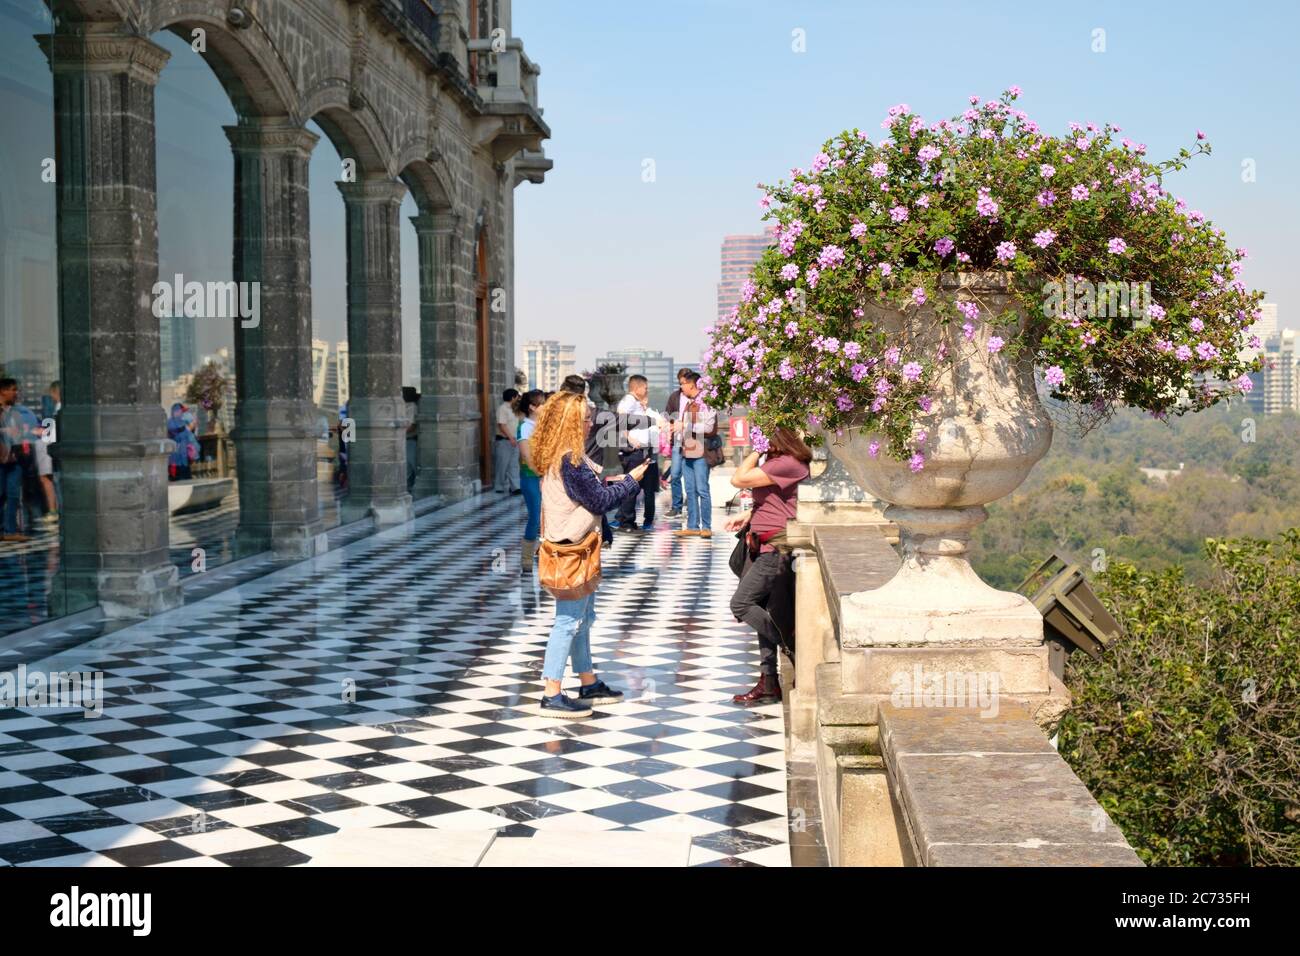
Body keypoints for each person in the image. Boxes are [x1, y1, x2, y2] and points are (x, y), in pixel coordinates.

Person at [532, 391, 649, 718]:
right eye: (583, 418)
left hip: (580, 547)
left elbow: (591, 492)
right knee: (568, 621)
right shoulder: (569, 461)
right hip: (573, 551)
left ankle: (587, 681)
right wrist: (631, 481)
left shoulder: (566, 457)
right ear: (570, 422)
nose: (588, 424)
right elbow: (599, 502)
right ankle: (551, 692)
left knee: (582, 620)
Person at [725, 426, 813, 705]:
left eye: (763, 437)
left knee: (741, 604)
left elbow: (738, 479)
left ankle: (795, 649)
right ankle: (768, 681)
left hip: (776, 551)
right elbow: (776, 499)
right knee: (762, 609)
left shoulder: (787, 463)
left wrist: (756, 450)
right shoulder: (780, 464)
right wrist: (749, 514)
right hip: (761, 545)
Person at [614, 374, 666, 532]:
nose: (647, 390)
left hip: (645, 451)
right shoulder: (629, 400)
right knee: (632, 485)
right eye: (645, 387)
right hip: (636, 452)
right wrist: (628, 438)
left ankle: (632, 520)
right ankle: (626, 521)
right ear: (637, 388)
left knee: (645, 487)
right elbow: (621, 417)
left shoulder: (636, 402)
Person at [670, 370, 716, 539]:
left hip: (701, 452)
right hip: (686, 451)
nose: (681, 387)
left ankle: (706, 526)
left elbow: (709, 427)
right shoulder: (689, 403)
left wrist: (686, 427)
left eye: (683, 383)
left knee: (702, 490)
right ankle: (692, 525)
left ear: (691, 384)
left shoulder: (706, 403)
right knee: (690, 490)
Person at [515, 388, 546, 573]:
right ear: (533, 407)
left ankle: (544, 552)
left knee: (546, 518)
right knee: (535, 517)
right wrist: (540, 473)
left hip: (545, 478)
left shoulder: (542, 426)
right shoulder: (525, 427)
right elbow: (526, 456)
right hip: (531, 478)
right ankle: (526, 558)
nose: (545, 407)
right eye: (542, 404)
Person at [663, 368, 693, 518]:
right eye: (682, 382)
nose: (684, 385)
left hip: (693, 442)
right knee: (674, 475)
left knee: (690, 477)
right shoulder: (675, 397)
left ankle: (692, 506)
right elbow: (668, 415)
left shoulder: (697, 398)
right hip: (677, 442)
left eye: (686, 382)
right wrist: (670, 430)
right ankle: (677, 506)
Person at [494, 388, 521, 495]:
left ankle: (515, 487)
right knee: (502, 464)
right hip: (505, 440)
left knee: (514, 464)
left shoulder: (513, 409)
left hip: (514, 440)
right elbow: (502, 425)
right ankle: (499, 485)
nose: (518, 398)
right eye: (517, 396)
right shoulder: (502, 409)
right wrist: (510, 438)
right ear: (512, 397)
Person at [166, 402, 199, 481]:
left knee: (186, 476)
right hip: (175, 456)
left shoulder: (182, 421)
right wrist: (189, 427)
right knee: (177, 477)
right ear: (175, 412)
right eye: (181, 411)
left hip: (184, 455)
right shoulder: (170, 422)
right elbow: (175, 432)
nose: (182, 414)